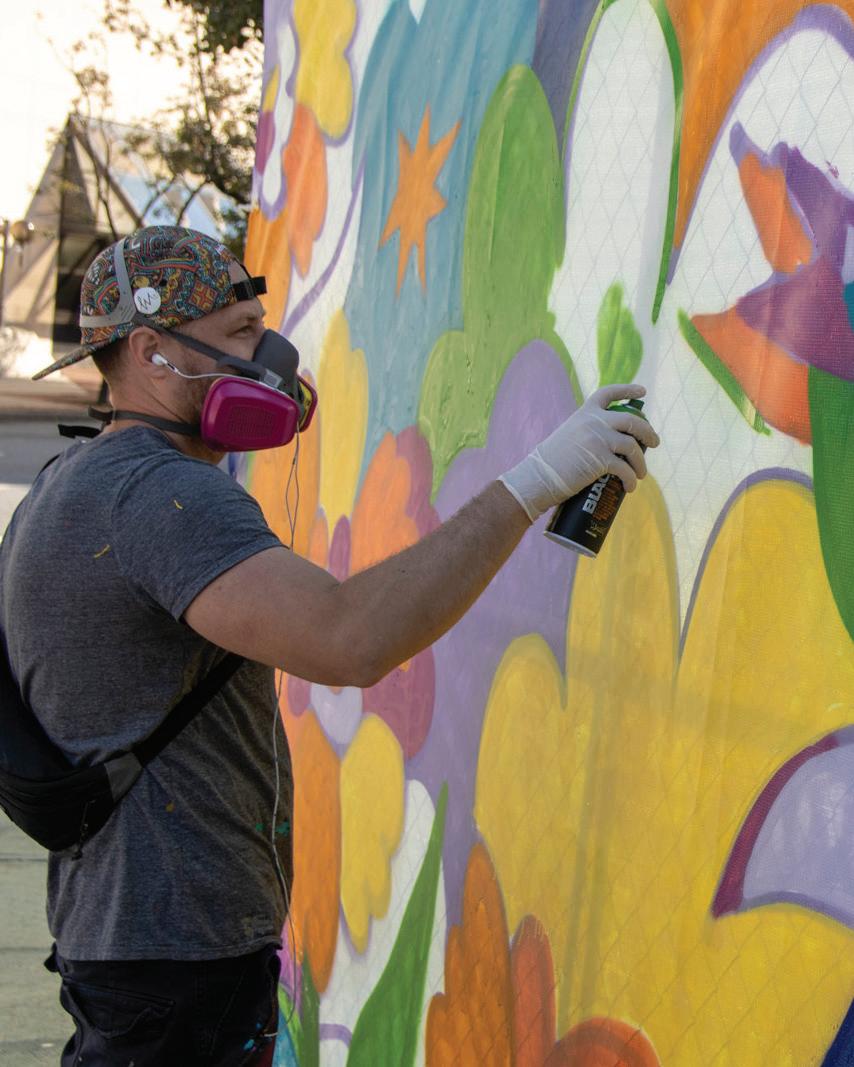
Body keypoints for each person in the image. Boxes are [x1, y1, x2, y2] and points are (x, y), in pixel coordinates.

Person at [0, 225, 659, 1066]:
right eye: (241, 332)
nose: (271, 355)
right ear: (151, 352)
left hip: (135, 942)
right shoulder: (159, 498)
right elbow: (351, 638)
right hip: (175, 961)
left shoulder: (72, 482)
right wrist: (535, 481)